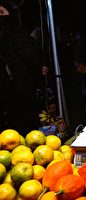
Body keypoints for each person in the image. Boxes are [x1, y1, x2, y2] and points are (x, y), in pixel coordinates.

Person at [0, 0, 47, 136]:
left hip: (21, 83)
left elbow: (29, 53)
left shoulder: (15, 31)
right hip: (8, 84)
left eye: (2, 12)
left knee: (25, 118)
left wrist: (38, 68)